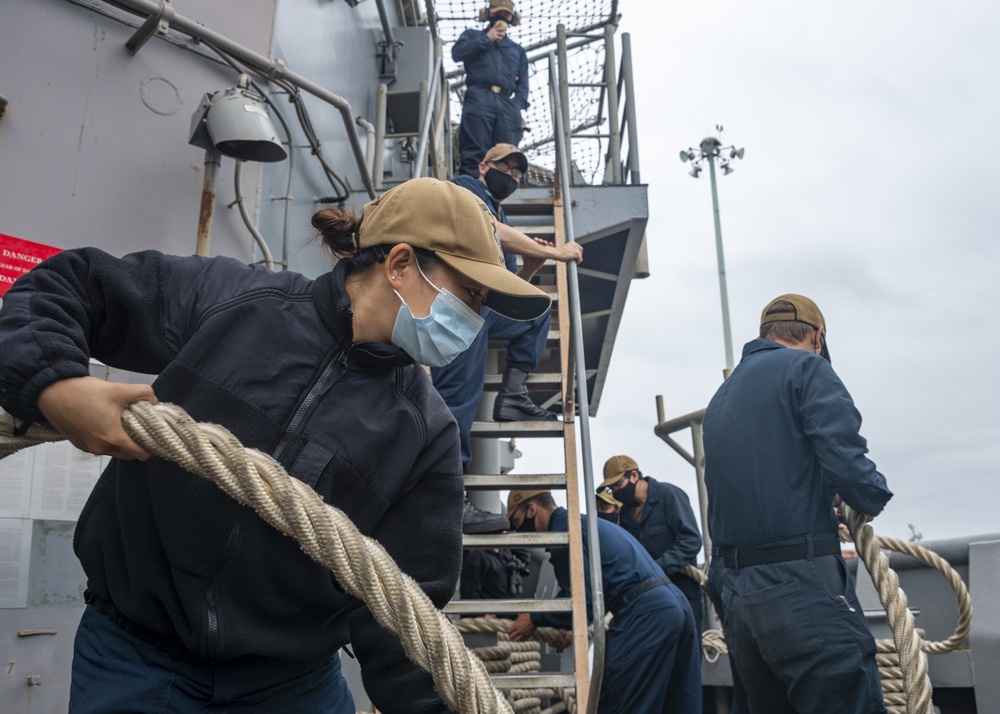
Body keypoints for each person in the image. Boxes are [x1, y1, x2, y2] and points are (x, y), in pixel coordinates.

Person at [0, 177, 552, 714]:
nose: (475, 323)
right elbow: (70, 285)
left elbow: (406, 619)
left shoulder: (426, 435)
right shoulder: (236, 302)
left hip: (291, 687)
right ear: (402, 264)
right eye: (471, 296)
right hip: (134, 657)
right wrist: (56, 384)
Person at [703, 294, 893, 714]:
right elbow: (851, 468)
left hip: (737, 598)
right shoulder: (807, 369)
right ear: (818, 337)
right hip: (799, 587)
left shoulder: (721, 396)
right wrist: (869, 495)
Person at [433, 144, 583, 534]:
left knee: (535, 308)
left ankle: (513, 397)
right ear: (484, 167)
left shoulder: (501, 214)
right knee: (458, 403)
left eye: (519, 174)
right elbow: (485, 228)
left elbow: (511, 293)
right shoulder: (465, 189)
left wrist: (532, 265)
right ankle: (449, 498)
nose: (513, 178)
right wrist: (555, 252)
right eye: (507, 168)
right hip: (456, 307)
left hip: (482, 308)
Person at [506, 490, 702, 714]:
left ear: (532, 509)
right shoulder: (587, 523)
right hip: (676, 604)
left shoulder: (564, 534)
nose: (520, 531)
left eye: (518, 522)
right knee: (678, 703)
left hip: (645, 615)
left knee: (624, 703)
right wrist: (567, 627)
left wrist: (534, 617)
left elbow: (582, 599)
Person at [598, 455, 705, 628]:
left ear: (634, 476)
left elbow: (691, 541)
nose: (615, 492)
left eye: (617, 485)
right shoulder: (626, 513)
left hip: (682, 594)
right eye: (611, 488)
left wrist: (657, 568)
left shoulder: (669, 495)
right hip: (649, 599)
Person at [452, 0, 529, 177]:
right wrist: (487, 39)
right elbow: (457, 53)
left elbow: (523, 86)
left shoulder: (517, 50)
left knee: (506, 155)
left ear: (513, 18)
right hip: (479, 96)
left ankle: (499, 197)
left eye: (506, 14)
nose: (502, 17)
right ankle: (470, 197)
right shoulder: (472, 35)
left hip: (506, 103)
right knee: (474, 152)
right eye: (497, 13)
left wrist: (515, 106)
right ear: (488, 14)